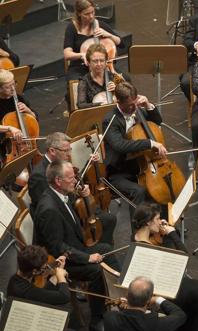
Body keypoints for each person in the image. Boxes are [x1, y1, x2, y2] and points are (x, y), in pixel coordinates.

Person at [34, 160, 120, 331]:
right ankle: (97, 319)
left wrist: (85, 195)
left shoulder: (59, 193)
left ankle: (119, 296)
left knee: (106, 250)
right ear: (58, 181)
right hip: (61, 260)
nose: (76, 181)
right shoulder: (48, 209)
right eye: (71, 178)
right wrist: (88, 257)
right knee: (96, 271)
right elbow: (58, 248)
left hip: (75, 246)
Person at [132, 204, 198, 331]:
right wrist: (172, 234)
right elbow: (183, 257)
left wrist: (161, 229)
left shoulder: (137, 236)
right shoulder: (149, 249)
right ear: (148, 222)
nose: (160, 221)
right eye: (157, 219)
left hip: (157, 280)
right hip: (161, 290)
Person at [28, 132, 117, 244]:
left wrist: (81, 187)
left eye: (69, 150)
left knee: (107, 217)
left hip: (75, 206)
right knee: (108, 220)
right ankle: (98, 251)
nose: (69, 154)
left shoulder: (60, 162)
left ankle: (100, 247)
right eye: (66, 151)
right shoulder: (38, 176)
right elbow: (48, 206)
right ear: (52, 151)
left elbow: (71, 180)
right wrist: (77, 197)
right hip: (60, 218)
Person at [102, 82, 166, 214]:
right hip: (118, 172)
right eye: (129, 105)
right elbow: (119, 145)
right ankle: (138, 232)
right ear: (118, 102)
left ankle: (165, 223)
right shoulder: (110, 119)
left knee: (162, 184)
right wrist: (149, 143)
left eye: (135, 103)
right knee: (139, 191)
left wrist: (148, 105)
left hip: (140, 166)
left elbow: (158, 121)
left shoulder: (137, 110)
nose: (133, 107)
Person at [6, 245, 79, 331]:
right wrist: (61, 275)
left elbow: (41, 294)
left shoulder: (16, 279)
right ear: (34, 272)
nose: (46, 269)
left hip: (29, 317)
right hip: (26, 330)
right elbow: (64, 296)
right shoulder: (25, 291)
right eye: (43, 268)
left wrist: (55, 276)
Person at [63, 0, 121, 82]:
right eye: (86, 14)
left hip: (102, 66)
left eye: (93, 12)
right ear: (79, 13)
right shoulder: (72, 28)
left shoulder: (99, 24)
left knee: (124, 80)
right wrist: (82, 55)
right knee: (77, 84)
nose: (91, 16)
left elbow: (120, 43)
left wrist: (109, 35)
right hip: (81, 66)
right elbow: (67, 54)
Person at [103, 276, 187, 331]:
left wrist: (123, 309)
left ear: (127, 296)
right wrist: (158, 299)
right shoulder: (155, 324)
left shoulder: (109, 317)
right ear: (148, 300)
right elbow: (180, 315)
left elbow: (126, 323)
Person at [77, 43, 131, 109]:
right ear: (88, 63)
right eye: (95, 61)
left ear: (106, 62)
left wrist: (117, 90)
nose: (99, 64)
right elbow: (81, 105)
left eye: (102, 60)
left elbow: (128, 95)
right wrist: (101, 104)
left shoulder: (113, 76)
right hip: (96, 114)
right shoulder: (84, 81)